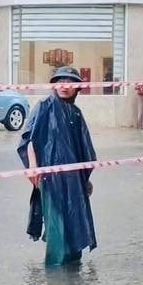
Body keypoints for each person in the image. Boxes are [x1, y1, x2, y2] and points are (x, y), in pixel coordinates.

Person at [18, 66, 98, 266]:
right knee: (57, 223)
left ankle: (72, 268)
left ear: (77, 88)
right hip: (50, 178)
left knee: (75, 220)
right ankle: (54, 272)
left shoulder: (76, 113)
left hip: (74, 180)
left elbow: (84, 149)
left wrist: (85, 180)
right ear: (54, 85)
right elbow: (29, 139)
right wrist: (32, 168)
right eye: (61, 81)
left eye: (70, 82)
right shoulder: (44, 106)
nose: (65, 86)